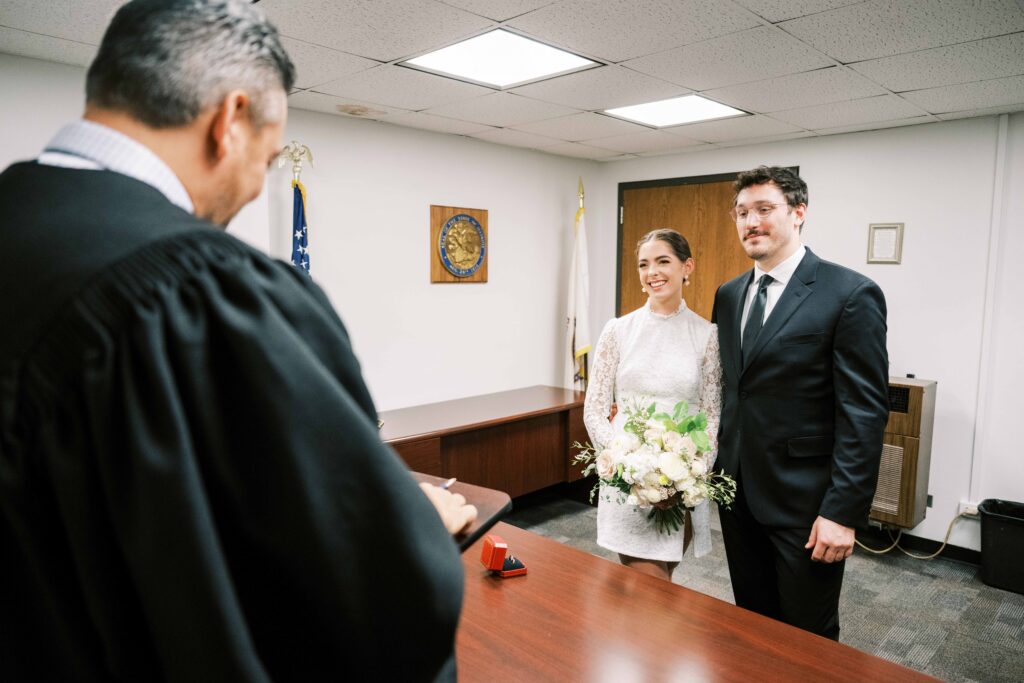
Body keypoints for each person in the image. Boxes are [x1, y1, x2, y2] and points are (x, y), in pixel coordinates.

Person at [0, 1, 474, 680]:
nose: (256, 189)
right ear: (229, 121)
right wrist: (415, 526)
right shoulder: (196, 292)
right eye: (269, 158)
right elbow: (360, 598)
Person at [711, 166, 889, 640]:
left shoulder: (849, 294)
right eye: (743, 212)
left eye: (764, 210)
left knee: (807, 636)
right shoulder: (728, 296)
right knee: (752, 622)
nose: (751, 222)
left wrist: (842, 513)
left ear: (798, 213)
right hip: (738, 494)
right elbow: (736, 392)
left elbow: (864, 413)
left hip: (807, 506)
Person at [584, 229, 722, 581]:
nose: (652, 272)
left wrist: (690, 476)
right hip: (629, 484)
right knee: (649, 587)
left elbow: (711, 415)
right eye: (644, 264)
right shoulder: (618, 330)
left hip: (681, 485)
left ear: (686, 267)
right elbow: (595, 409)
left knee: (657, 591)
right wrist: (626, 466)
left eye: (663, 261)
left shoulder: (707, 336)